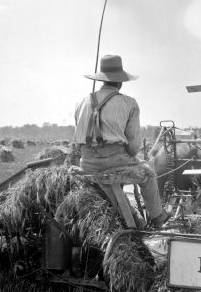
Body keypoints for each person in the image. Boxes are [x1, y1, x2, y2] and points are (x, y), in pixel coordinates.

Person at [73, 54, 170, 228]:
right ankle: (157, 216)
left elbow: (77, 140)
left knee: (111, 183)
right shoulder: (129, 103)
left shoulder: (82, 102)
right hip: (114, 161)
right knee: (147, 173)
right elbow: (133, 148)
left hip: (86, 163)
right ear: (120, 82)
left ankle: (133, 218)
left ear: (101, 80)